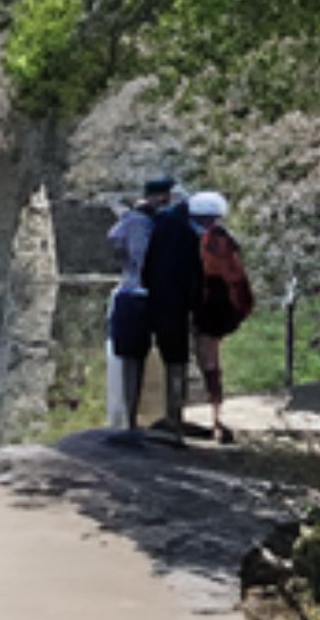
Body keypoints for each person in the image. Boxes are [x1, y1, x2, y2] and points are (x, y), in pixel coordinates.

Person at [104, 177, 173, 430]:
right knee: (146, 359)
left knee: (130, 359)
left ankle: (130, 418)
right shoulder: (155, 222)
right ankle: (142, 416)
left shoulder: (131, 220)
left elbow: (114, 240)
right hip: (148, 294)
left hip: (130, 292)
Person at [187, 191, 255, 443]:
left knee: (207, 360)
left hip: (206, 303)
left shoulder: (199, 241)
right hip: (223, 304)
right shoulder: (227, 241)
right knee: (212, 359)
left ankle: (213, 414)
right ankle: (217, 413)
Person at [140, 188, 202, 446]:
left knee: (166, 356)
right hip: (180, 303)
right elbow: (195, 272)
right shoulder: (188, 234)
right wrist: (195, 301)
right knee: (179, 359)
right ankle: (176, 413)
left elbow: (147, 268)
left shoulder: (159, 230)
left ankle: (167, 415)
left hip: (158, 301)